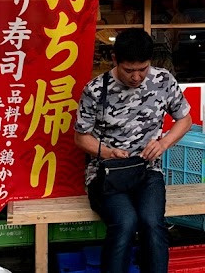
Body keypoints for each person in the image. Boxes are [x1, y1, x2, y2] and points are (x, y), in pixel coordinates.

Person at [74, 28, 193, 273]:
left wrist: (163, 143)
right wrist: (108, 152)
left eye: (143, 69)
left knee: (152, 222)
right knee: (125, 222)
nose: (137, 77)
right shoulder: (96, 90)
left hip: (147, 171)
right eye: (129, 70)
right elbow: (81, 138)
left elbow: (185, 120)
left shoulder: (163, 80)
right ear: (115, 60)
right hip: (106, 174)